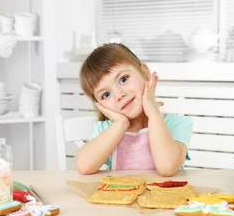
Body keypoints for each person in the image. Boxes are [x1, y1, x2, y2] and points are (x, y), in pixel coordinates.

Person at [77, 43, 193, 177]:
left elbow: (167, 167)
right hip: (122, 196)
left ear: (145, 73)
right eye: (106, 95)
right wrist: (120, 124)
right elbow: (84, 166)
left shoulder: (177, 124)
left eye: (123, 79)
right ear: (100, 105)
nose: (119, 95)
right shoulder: (107, 130)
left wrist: (154, 113)